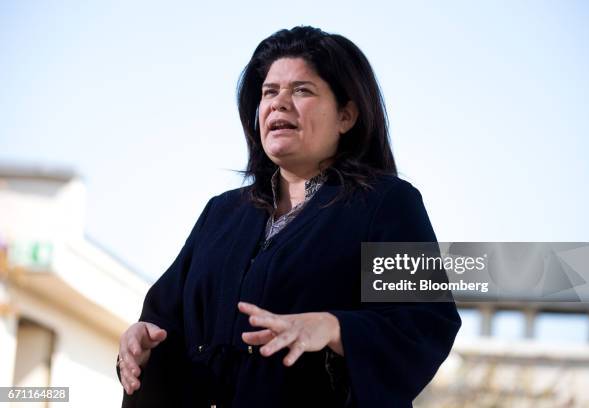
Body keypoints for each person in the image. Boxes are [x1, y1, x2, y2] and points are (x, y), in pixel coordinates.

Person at [117, 26, 461, 408]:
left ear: (346, 115)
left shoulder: (388, 202)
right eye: (269, 92)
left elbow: (426, 324)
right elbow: (165, 321)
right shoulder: (221, 213)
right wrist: (141, 341)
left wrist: (334, 328)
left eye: (302, 90)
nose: (278, 103)